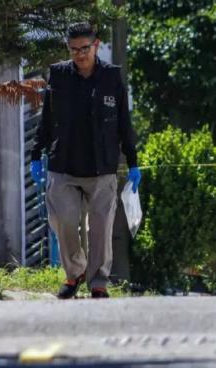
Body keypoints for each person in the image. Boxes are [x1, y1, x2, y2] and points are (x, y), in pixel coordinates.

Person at [31, 23, 140, 299]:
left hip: (102, 167)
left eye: (84, 48)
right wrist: (35, 153)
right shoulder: (59, 75)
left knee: (101, 229)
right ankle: (75, 273)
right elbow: (46, 119)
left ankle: (98, 282)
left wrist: (133, 160)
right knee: (64, 222)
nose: (79, 54)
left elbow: (124, 124)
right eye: (73, 50)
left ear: (95, 45)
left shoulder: (112, 78)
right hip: (63, 165)